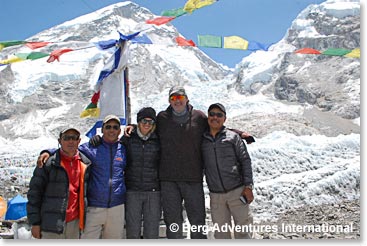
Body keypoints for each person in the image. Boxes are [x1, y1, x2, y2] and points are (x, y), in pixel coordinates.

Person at [125, 86, 252, 239]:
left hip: (193, 179)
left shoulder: (198, 117)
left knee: (197, 220)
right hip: (168, 180)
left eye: (180, 97)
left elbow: (217, 126)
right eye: (173, 98)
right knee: (173, 221)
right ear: (169, 101)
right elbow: (146, 127)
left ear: (186, 99)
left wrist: (240, 133)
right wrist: (131, 127)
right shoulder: (162, 118)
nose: (177, 101)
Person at [36, 115, 127, 239]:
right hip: (93, 207)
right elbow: (69, 149)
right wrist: (47, 152)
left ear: (119, 131)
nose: (112, 130)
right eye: (108, 127)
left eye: (115, 127)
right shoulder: (91, 148)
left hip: (116, 206)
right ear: (102, 129)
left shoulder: (124, 150)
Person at [27, 127, 92, 239]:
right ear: (60, 141)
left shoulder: (85, 163)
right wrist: (35, 223)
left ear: (79, 141)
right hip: (51, 224)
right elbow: (34, 194)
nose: (71, 141)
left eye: (74, 138)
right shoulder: (48, 164)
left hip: (75, 224)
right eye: (66, 138)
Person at [201, 103, 254, 239]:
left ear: (224, 118)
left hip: (237, 191)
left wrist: (248, 187)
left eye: (219, 115)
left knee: (243, 231)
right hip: (216, 195)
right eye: (212, 114)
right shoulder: (202, 140)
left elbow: (245, 161)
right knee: (221, 233)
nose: (215, 117)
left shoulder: (233, 137)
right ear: (208, 117)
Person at [122, 107, 161, 239]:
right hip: (132, 191)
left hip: (153, 191)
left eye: (151, 122)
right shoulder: (128, 138)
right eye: (144, 121)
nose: (147, 124)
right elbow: (112, 144)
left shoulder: (158, 139)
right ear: (138, 122)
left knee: (152, 231)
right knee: (133, 231)